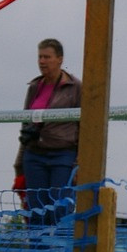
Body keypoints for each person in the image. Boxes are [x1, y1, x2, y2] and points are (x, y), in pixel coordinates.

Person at [15, 38, 82, 225]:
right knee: (35, 211)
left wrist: (80, 162)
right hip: (34, 155)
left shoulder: (75, 87)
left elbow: (85, 126)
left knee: (60, 210)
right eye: (40, 57)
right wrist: (19, 164)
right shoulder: (35, 87)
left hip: (63, 155)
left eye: (47, 57)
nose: (42, 61)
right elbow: (25, 125)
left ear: (60, 59)